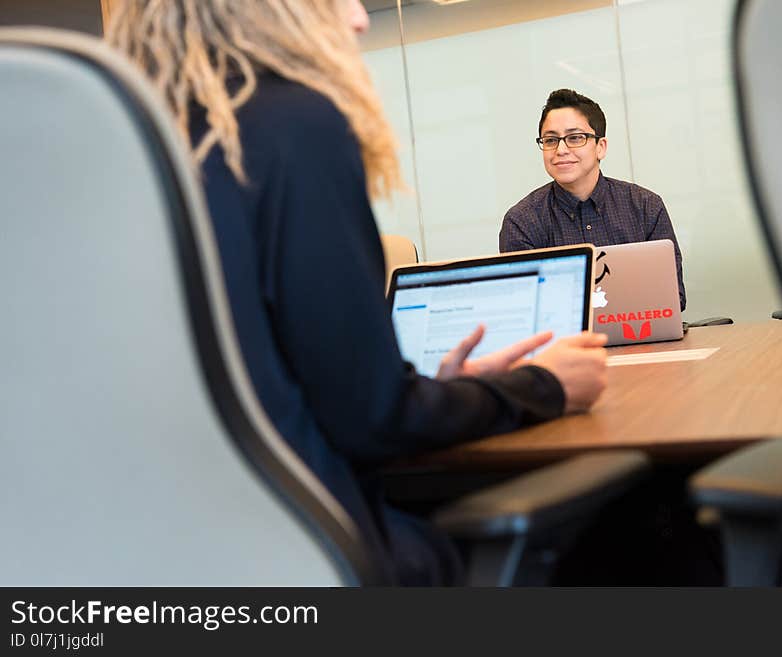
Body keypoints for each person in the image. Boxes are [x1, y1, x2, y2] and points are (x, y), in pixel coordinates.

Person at [108, 0, 607, 585]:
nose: (359, 17)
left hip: (170, 559)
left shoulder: (131, 141)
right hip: (314, 549)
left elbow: (269, 383)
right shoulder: (292, 126)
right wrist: (540, 386)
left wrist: (438, 391)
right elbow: (371, 422)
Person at [500, 89, 687, 311]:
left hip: (642, 338)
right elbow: (526, 310)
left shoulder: (645, 206)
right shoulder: (522, 222)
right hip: (564, 345)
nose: (560, 150)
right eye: (550, 140)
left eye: (575, 138)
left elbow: (673, 297)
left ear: (601, 147)